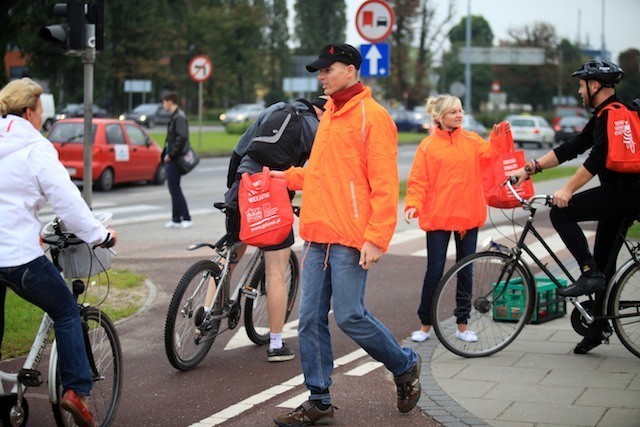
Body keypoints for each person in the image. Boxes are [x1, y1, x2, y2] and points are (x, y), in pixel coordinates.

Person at [272, 44, 421, 427]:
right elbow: (321, 174)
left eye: (327, 69)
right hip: (319, 233)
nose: (321, 76)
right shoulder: (331, 116)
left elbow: (385, 185)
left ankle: (404, 365)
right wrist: (283, 177)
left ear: (352, 69)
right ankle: (319, 399)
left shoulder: (373, 117)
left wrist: (376, 238)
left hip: (352, 237)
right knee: (308, 320)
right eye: (319, 71)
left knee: (351, 316)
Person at [0, 78, 117, 427]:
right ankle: (77, 392)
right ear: (28, 112)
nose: (42, 120)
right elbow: (67, 203)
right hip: (17, 255)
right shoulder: (35, 149)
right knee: (66, 310)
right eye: (40, 113)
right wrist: (99, 235)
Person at [511, 59, 640, 354]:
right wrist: (529, 169)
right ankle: (597, 325)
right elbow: (573, 147)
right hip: (624, 196)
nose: (579, 91)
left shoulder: (611, 116)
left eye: (581, 85)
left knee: (561, 212)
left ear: (594, 85)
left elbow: (595, 159)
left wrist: (567, 190)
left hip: (623, 195)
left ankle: (587, 273)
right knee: (603, 261)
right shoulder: (610, 114)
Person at [207, 96, 328, 362]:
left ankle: (206, 312)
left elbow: (241, 147)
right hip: (274, 188)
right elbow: (319, 172)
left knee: (231, 250)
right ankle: (275, 344)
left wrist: (234, 187)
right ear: (321, 111)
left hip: (244, 181)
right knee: (276, 270)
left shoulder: (275, 109)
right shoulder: (316, 127)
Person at [404, 94, 504, 344]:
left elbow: (493, 157)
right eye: (453, 112)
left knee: (466, 272)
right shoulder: (427, 146)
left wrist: (499, 139)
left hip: (468, 218)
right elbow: (418, 181)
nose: (459, 115)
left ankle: (462, 325)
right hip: (438, 218)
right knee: (434, 272)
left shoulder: (472, 140)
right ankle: (425, 325)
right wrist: (413, 204)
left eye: (460, 111)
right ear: (439, 117)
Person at [161, 91, 192, 229]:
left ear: (170, 102)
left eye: (164, 102)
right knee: (173, 188)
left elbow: (182, 137)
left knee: (175, 188)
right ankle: (176, 219)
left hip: (175, 158)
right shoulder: (175, 116)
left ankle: (186, 217)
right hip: (172, 157)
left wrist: (171, 154)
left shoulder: (179, 117)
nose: (163, 105)